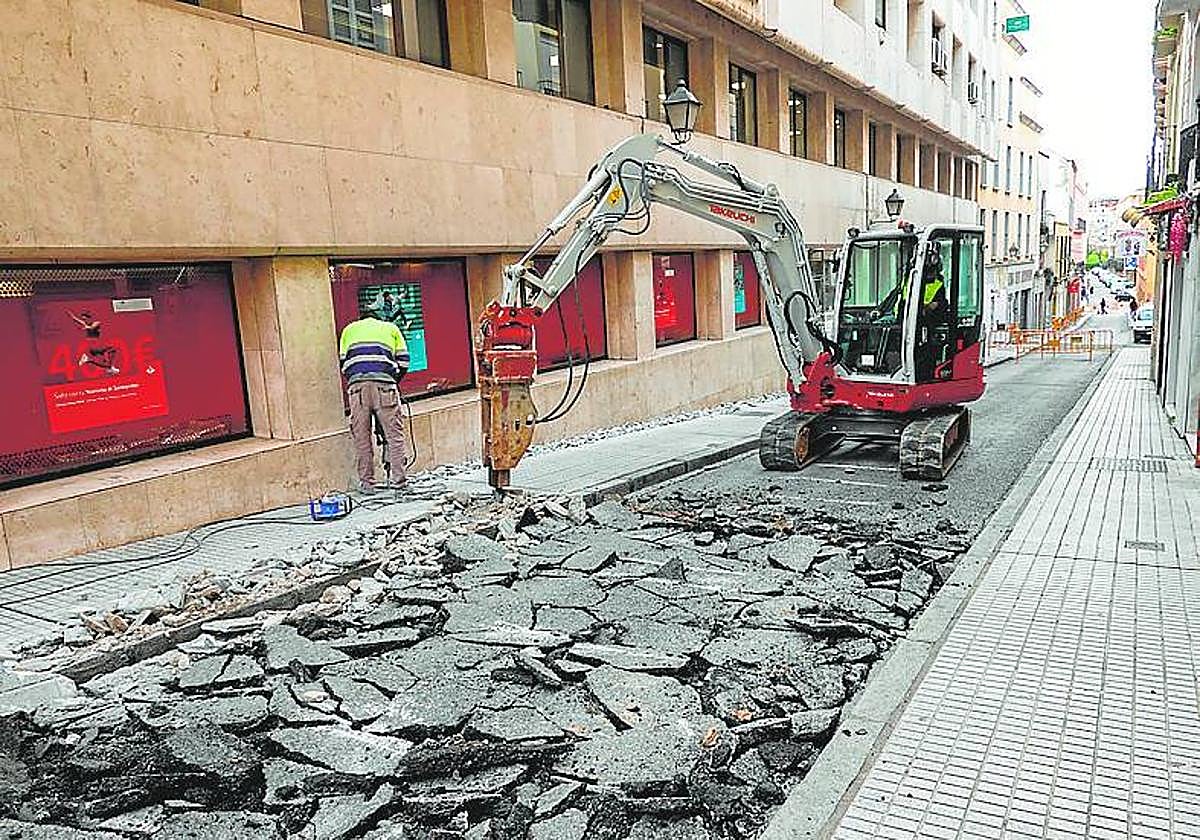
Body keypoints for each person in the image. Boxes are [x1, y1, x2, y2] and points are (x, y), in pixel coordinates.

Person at [338, 308, 410, 494]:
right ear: (378, 319)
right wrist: (392, 381)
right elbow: (404, 361)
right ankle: (399, 481)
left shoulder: (349, 330)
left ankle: (367, 484)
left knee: (362, 437)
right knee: (394, 435)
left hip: (357, 388)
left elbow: (344, 363)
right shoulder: (391, 328)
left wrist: (359, 381)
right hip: (384, 386)